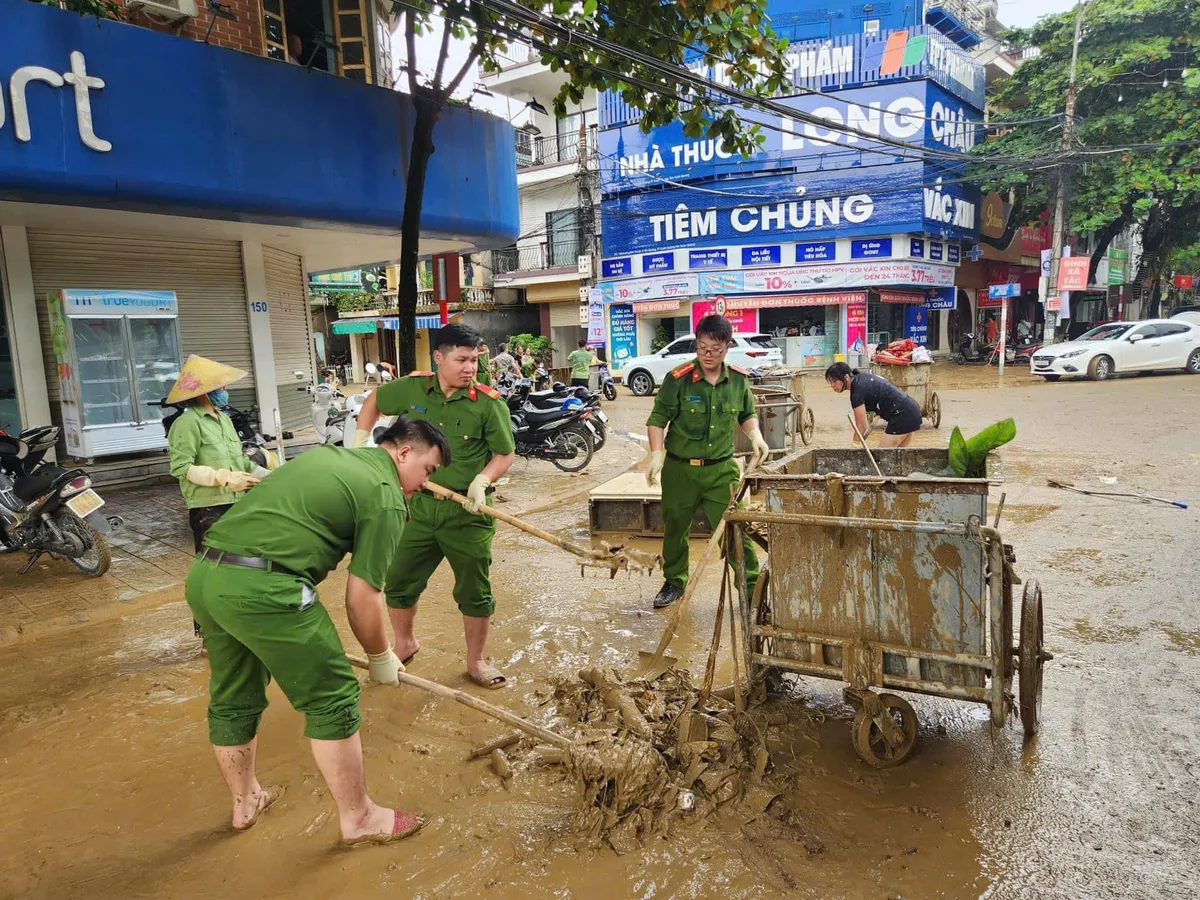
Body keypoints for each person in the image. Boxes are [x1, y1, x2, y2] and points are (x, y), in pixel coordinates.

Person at [186, 416, 450, 844]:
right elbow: (363, 597)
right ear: (403, 453)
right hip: (266, 588)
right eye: (428, 471)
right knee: (333, 696)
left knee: (235, 691)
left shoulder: (330, 457)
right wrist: (381, 657)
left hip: (207, 575)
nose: (424, 484)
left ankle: (245, 801)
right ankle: (360, 818)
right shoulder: (385, 497)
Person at [352, 324, 517, 688]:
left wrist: (483, 480)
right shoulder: (411, 389)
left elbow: (505, 453)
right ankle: (405, 643)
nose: (470, 367)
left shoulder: (489, 404)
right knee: (397, 580)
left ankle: (476, 661)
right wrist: (360, 441)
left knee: (474, 591)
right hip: (415, 508)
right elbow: (374, 402)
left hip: (467, 513)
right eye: (461, 359)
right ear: (438, 357)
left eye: (474, 360)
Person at [644, 315, 770, 610]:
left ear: (727, 347)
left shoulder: (738, 380)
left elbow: (746, 413)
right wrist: (656, 455)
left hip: (720, 470)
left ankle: (751, 588)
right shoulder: (679, 379)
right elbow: (657, 419)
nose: (708, 355)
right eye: (702, 348)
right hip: (679, 469)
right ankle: (675, 581)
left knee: (734, 527)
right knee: (675, 528)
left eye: (715, 349)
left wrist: (756, 436)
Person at [166, 355, 269, 641]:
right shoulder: (187, 424)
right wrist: (222, 477)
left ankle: (236, 625)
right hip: (207, 507)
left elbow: (242, 462)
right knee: (210, 569)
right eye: (221, 387)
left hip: (237, 503)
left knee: (240, 565)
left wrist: (270, 474)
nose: (226, 391)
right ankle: (208, 634)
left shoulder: (223, 420)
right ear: (203, 392)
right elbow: (181, 468)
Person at [825, 361, 922, 449]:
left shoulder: (856, 393)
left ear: (846, 377)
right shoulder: (861, 376)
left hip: (902, 415)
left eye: (834, 381)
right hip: (911, 410)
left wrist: (854, 445)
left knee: (882, 457)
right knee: (898, 459)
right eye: (830, 382)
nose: (832, 386)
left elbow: (861, 426)